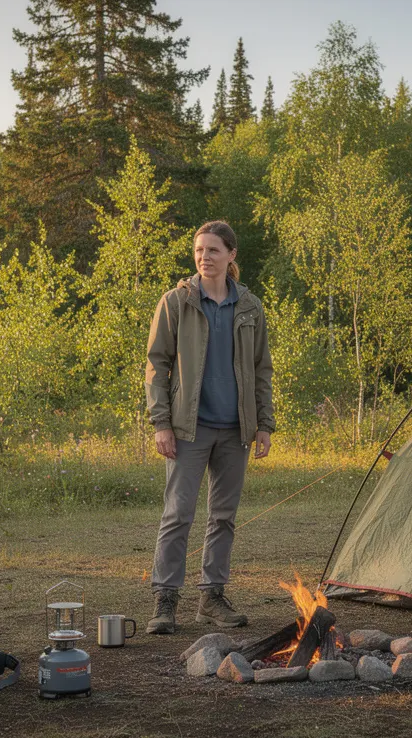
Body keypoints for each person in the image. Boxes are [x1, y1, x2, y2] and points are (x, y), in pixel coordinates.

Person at [143, 220, 275, 634]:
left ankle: (211, 597)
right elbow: (156, 365)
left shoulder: (251, 308)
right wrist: (161, 422)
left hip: (235, 431)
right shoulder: (175, 302)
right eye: (199, 250)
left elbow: (261, 370)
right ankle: (165, 601)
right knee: (178, 514)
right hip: (188, 429)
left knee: (223, 517)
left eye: (213, 250)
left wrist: (265, 425)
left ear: (232, 255)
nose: (205, 257)